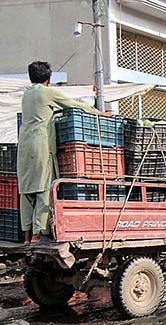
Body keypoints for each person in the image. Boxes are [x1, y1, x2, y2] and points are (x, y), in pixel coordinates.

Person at [17, 61, 109, 243]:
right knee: (44, 188)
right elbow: (72, 104)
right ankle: (37, 235)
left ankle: (27, 237)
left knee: (27, 191)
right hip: (40, 144)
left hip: (24, 145)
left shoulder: (26, 95)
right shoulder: (46, 92)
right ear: (48, 79)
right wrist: (98, 113)